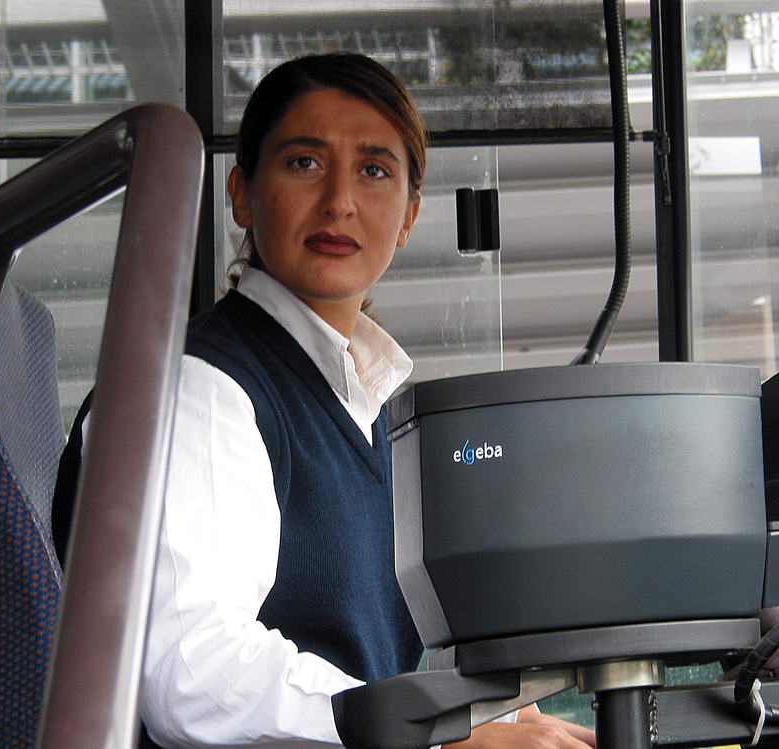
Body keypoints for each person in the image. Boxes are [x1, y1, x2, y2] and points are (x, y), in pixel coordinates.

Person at [59, 52, 595, 748]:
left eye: (374, 170)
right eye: (304, 162)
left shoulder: (365, 408)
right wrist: (439, 736)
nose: (340, 200)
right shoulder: (201, 387)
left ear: (408, 216)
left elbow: (367, 662)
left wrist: (485, 718)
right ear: (242, 195)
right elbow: (192, 673)